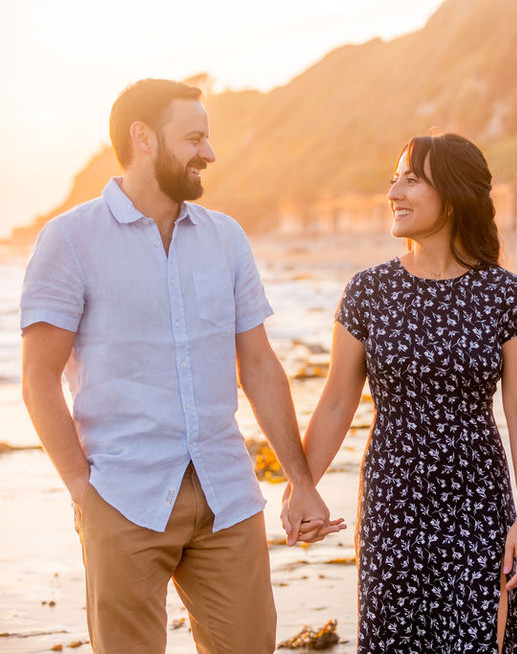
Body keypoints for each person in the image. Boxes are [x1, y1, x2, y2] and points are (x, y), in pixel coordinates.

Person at [20, 78, 344, 654]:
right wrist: (82, 493)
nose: (209, 154)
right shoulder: (69, 239)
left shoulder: (225, 238)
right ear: (143, 138)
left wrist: (300, 482)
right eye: (194, 138)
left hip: (227, 494)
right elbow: (38, 377)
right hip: (122, 495)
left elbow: (261, 365)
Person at [294, 132, 517, 653]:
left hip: (479, 501)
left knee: (479, 639)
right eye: (394, 179)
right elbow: (338, 401)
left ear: (452, 195)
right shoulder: (369, 291)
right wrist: (303, 487)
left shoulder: (506, 294)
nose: (394, 192)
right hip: (394, 500)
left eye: (412, 179)